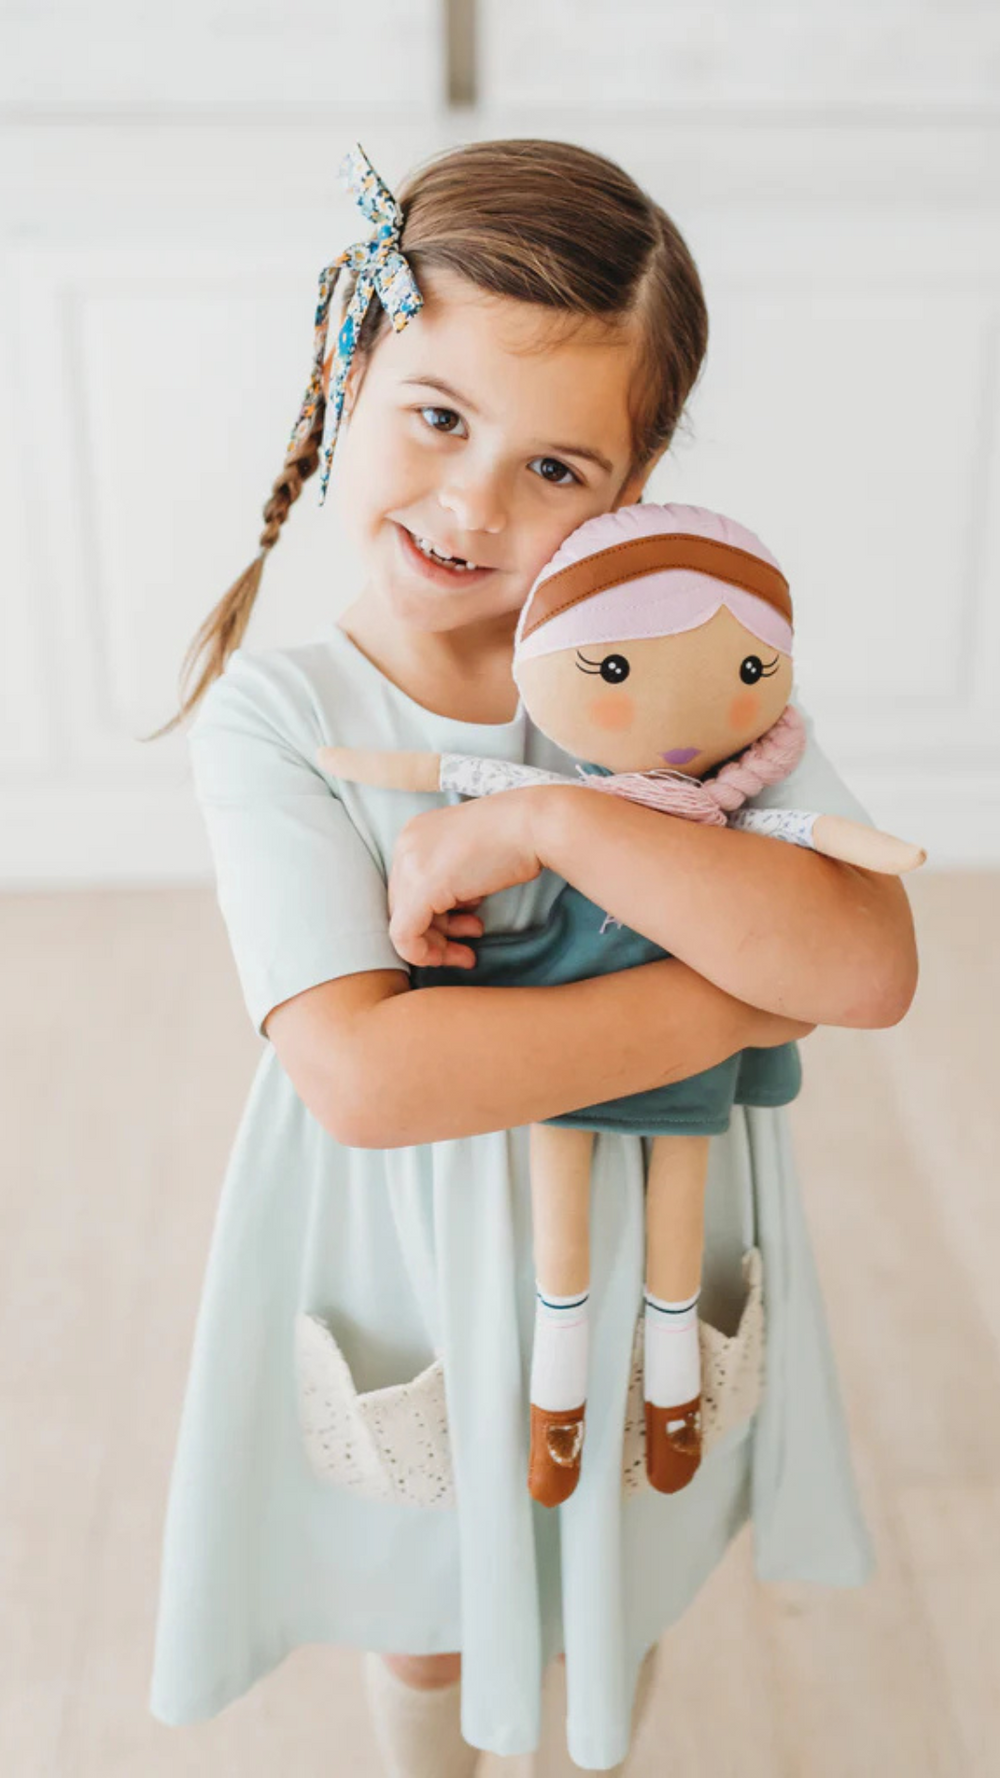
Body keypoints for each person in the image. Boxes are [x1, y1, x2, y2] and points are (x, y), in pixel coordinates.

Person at [146, 139, 918, 1775]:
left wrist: (557, 828)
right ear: (349, 363)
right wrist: (741, 988)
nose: (477, 505)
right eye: (439, 416)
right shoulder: (284, 720)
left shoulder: (683, 675)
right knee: (430, 1586)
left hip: (643, 1263)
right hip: (410, 1256)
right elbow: (364, 1075)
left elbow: (867, 964)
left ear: (636, 492)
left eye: (559, 469)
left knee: (616, 1572)